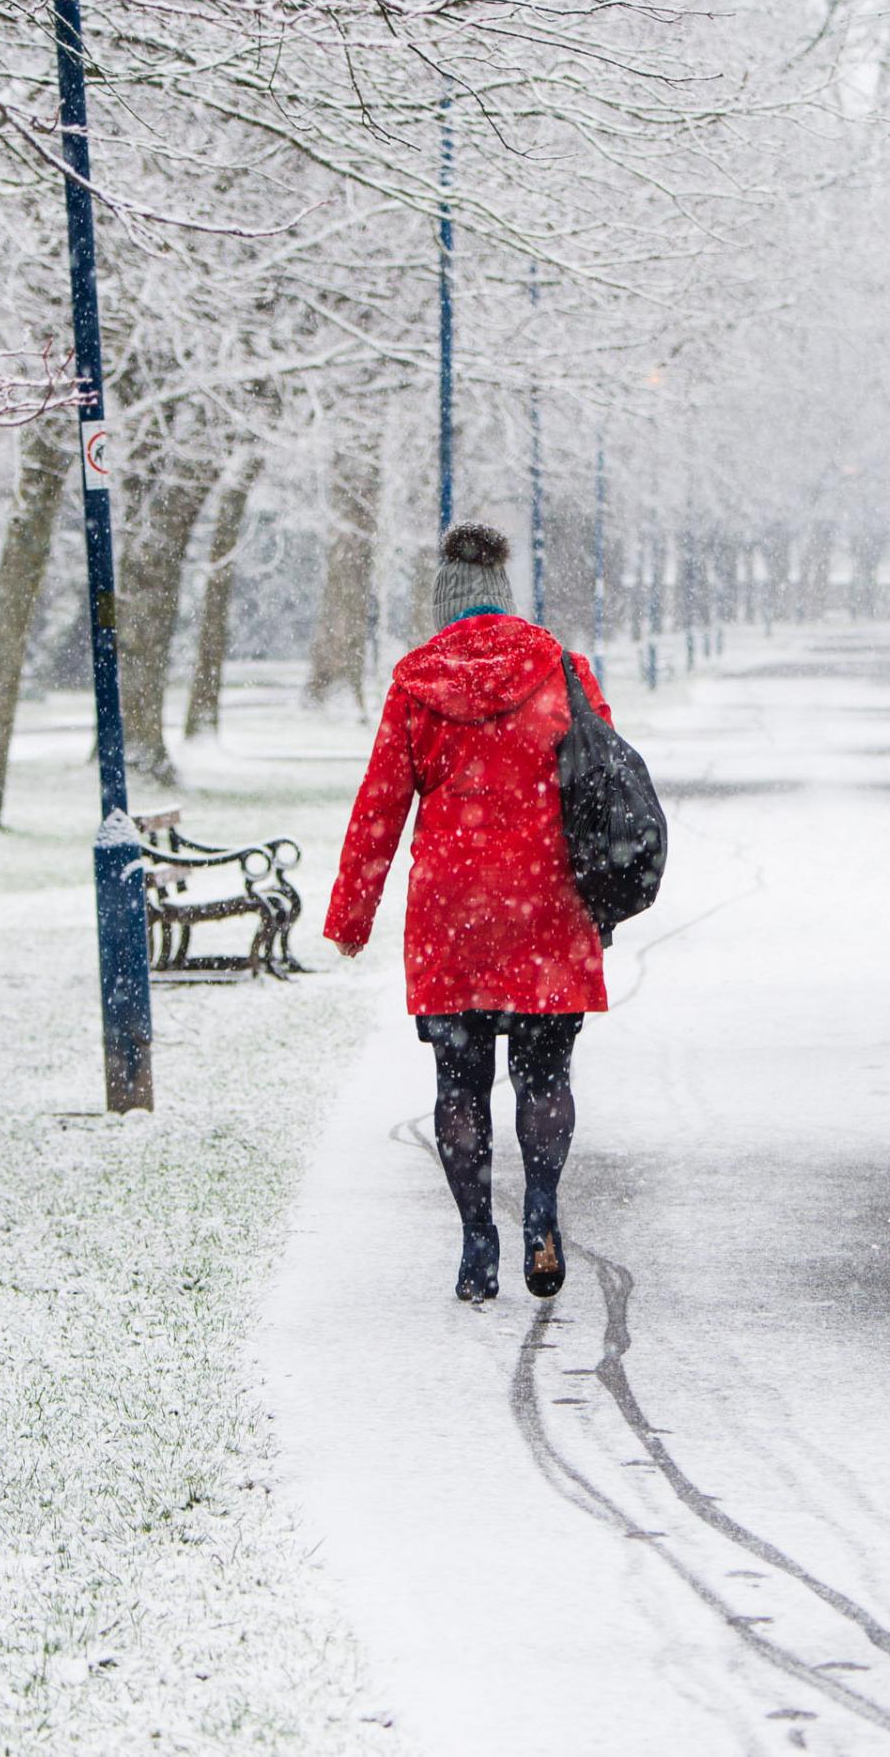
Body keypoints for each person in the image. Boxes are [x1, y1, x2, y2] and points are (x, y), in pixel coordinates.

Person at [324, 523, 618, 1304]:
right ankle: (542, 1215)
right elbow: (606, 784)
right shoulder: (563, 670)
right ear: (507, 594)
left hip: (454, 913)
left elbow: (379, 807)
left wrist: (351, 914)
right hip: (545, 904)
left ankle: (477, 1246)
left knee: (461, 1087)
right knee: (544, 1076)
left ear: (443, 602)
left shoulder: (417, 681)